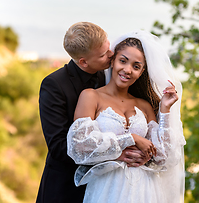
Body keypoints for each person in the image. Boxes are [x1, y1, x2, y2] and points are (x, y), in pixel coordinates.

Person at [67, 30, 186, 203]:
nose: (127, 70)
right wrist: (131, 138)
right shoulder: (91, 96)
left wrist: (165, 110)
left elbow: (164, 157)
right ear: (113, 60)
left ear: (142, 71)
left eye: (136, 66)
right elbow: (79, 147)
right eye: (123, 61)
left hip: (146, 191)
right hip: (107, 189)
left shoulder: (144, 105)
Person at [36, 22, 150, 203]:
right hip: (66, 186)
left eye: (108, 46)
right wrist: (114, 154)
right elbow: (58, 146)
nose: (111, 54)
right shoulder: (54, 85)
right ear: (83, 61)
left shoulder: (106, 73)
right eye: (105, 54)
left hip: (110, 187)